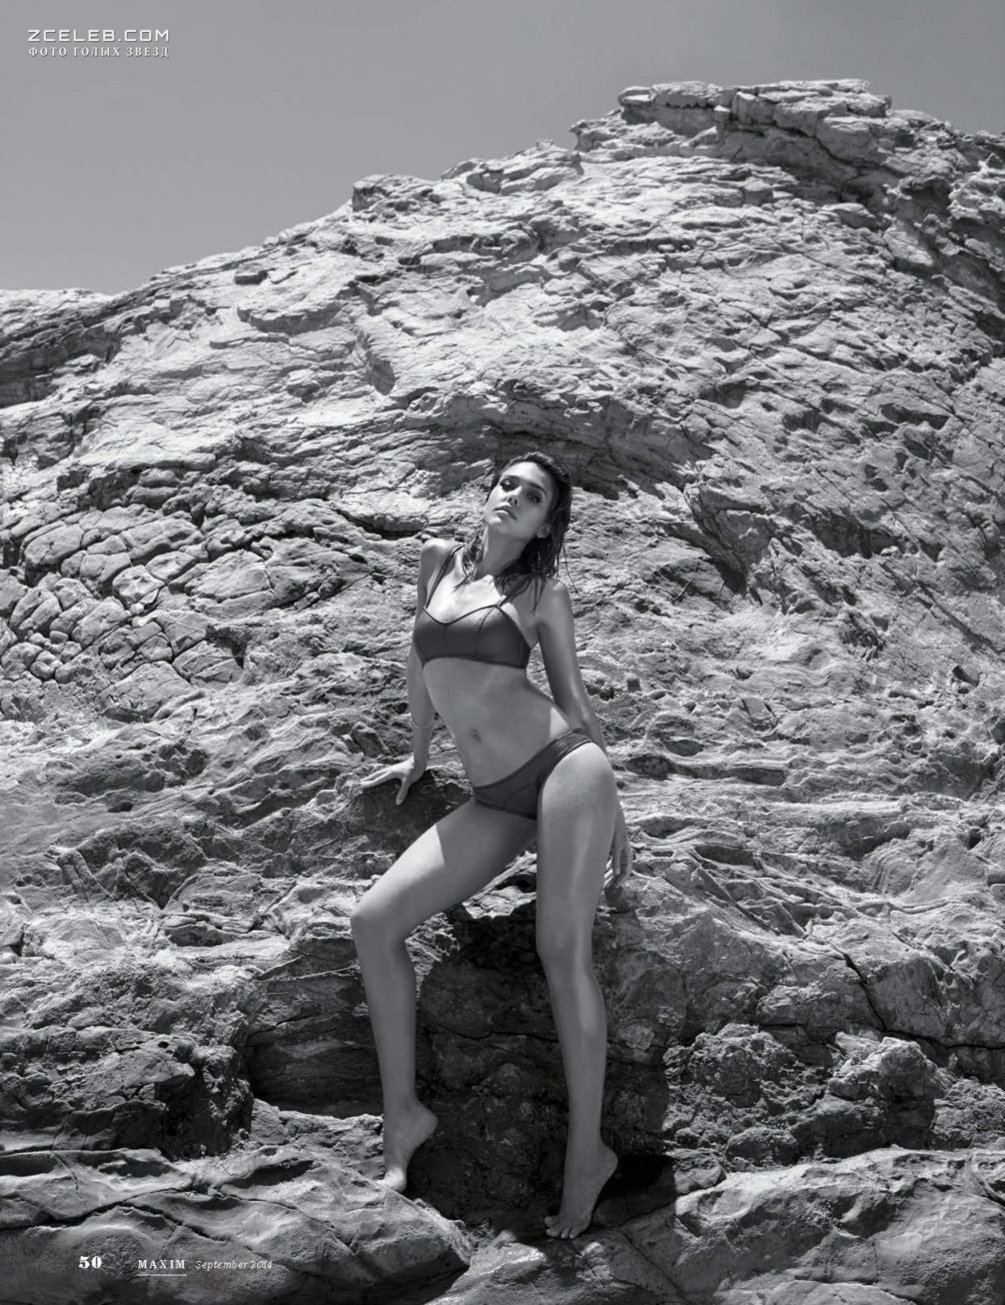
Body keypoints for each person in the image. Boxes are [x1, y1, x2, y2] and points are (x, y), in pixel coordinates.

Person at [351, 449, 633, 1239]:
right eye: (506, 483)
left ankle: (587, 1155)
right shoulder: (437, 561)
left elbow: (574, 705)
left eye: (532, 495)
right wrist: (417, 754)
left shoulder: (542, 591)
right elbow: (419, 658)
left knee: (559, 951)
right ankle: (404, 1115)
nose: (512, 495)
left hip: (564, 768)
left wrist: (613, 807)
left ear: (545, 524)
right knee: (373, 922)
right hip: (493, 799)